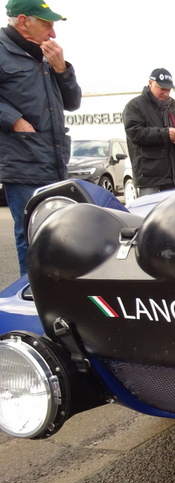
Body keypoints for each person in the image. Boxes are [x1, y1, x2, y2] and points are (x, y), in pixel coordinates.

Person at [0, 0, 81, 276]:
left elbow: (73, 102)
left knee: (58, 235)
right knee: (31, 235)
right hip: (23, 161)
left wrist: (62, 69)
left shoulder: (47, 55)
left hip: (55, 162)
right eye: (47, 24)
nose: (53, 33)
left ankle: (58, 296)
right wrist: (14, 119)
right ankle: (31, 296)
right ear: (23, 22)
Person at [122, 68, 175, 197]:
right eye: (162, 88)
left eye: (168, 90)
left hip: (173, 177)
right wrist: (165, 134)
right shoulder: (135, 106)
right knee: (150, 209)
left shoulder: (172, 109)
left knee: (173, 210)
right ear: (150, 83)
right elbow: (135, 133)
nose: (165, 93)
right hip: (149, 179)